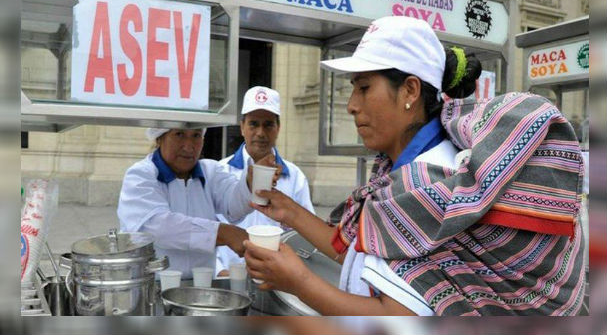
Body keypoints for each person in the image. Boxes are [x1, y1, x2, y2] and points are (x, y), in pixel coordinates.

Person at [243, 16, 586, 316]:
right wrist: (289, 212)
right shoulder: (399, 172)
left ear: (409, 90)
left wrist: (297, 281)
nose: (351, 105)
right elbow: (361, 246)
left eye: (364, 88)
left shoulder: (429, 181)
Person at [117, 127, 279, 278]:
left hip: (201, 285)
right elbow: (157, 227)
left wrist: (250, 184)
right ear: (160, 138)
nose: (189, 146)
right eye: (179, 134)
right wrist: (223, 233)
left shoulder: (210, 172)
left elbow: (233, 206)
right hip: (153, 286)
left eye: (196, 136)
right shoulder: (140, 175)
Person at [215, 86, 315, 275]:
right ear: (242, 126)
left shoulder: (294, 177)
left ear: (278, 128)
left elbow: (305, 236)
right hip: (228, 278)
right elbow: (208, 229)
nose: (261, 132)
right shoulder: (220, 171)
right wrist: (219, 272)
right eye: (253, 124)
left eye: (268, 124)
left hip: (277, 280)